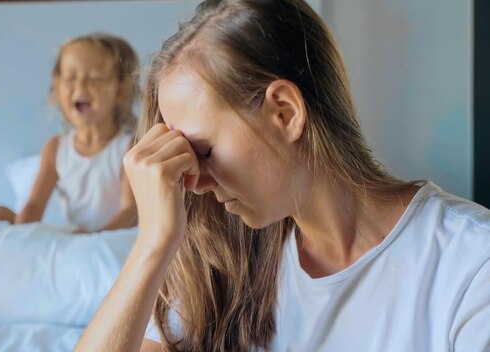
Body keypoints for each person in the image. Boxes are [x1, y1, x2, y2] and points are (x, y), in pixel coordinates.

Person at [75, 0, 490, 351]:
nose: (195, 182)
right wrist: (152, 244)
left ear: (285, 113)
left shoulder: (470, 265)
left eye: (203, 151)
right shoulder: (227, 260)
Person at [0, 33, 138, 233]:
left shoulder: (128, 147)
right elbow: (34, 206)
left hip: (111, 234)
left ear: (120, 90)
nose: (80, 86)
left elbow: (131, 211)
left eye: (95, 78)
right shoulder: (56, 148)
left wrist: (96, 236)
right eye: (70, 78)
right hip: (74, 236)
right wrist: (19, 232)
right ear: (57, 87)